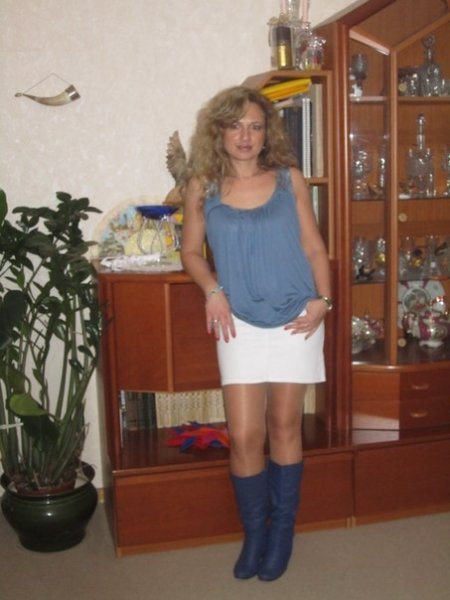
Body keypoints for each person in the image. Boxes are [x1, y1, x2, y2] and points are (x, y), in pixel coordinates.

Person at [180, 85, 331, 582]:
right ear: (219, 131)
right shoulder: (202, 185)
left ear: (267, 134)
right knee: (245, 434)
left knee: (285, 426)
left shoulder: (289, 179)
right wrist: (212, 290)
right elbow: (191, 252)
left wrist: (324, 300)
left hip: (296, 319)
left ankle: (281, 532)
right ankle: (255, 534)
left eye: (255, 126)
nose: (245, 136)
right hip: (237, 322)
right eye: (235, 125)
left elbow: (314, 246)